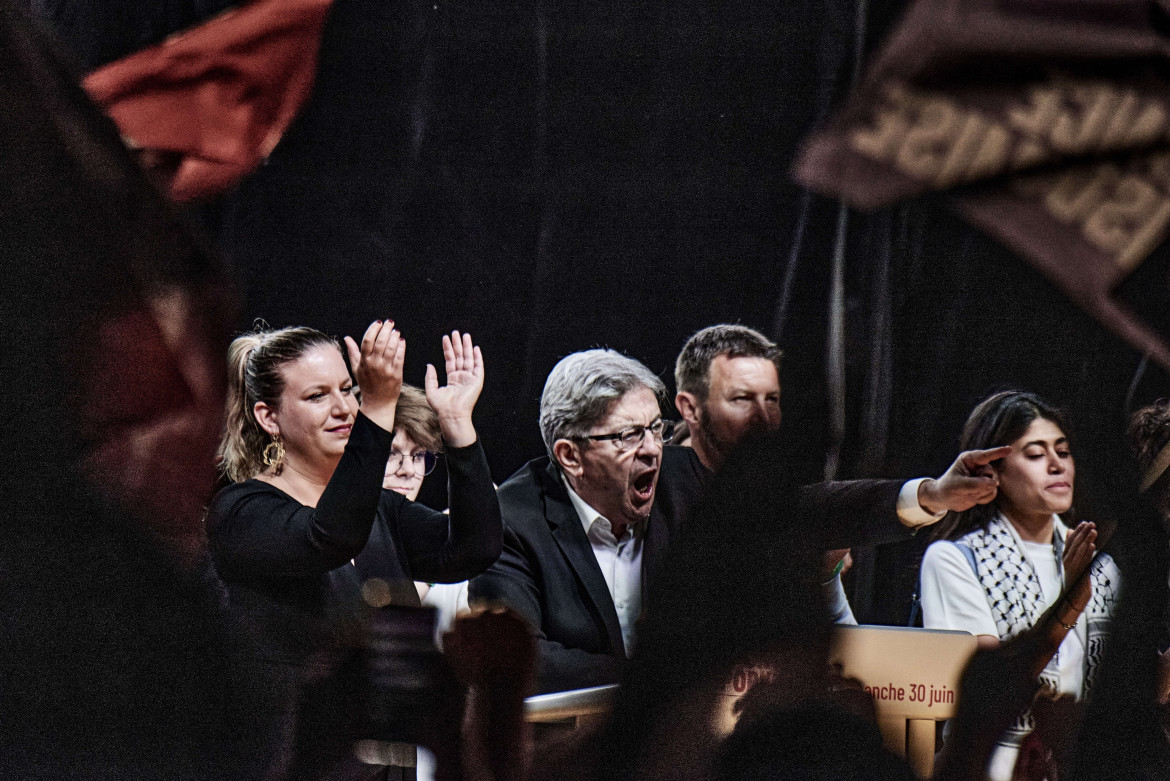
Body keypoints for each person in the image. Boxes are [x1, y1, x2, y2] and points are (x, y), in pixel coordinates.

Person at [470, 348, 1011, 693]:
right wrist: (651, 681)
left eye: (655, 429)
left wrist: (931, 494)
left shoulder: (680, 478)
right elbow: (514, 655)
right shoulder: (513, 519)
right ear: (569, 455)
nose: (651, 450)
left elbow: (804, 511)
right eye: (627, 436)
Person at [207, 323, 501, 776]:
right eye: (317, 396)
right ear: (269, 418)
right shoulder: (241, 512)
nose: (345, 407)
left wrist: (458, 426)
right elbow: (329, 537)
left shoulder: (381, 509)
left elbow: (472, 549)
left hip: (391, 766)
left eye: (349, 388)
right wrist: (378, 408)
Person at [919, 390, 1119, 781]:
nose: (1057, 465)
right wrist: (1068, 606)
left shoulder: (1101, 564)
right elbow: (991, 692)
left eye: (1063, 451)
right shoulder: (955, 559)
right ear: (994, 471)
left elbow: (1120, 690)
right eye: (1035, 454)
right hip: (997, 765)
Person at [674, 323, 855, 622]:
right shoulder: (648, 500)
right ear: (691, 409)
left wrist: (825, 577)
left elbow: (828, 639)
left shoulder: (776, 500)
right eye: (742, 399)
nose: (764, 418)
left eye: (771, 399)